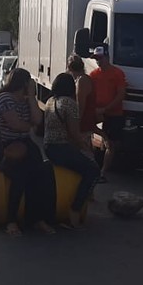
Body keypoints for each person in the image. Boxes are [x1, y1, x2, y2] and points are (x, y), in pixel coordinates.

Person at [0, 68, 56, 237]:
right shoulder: (5, 98)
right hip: (5, 146)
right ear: (24, 83)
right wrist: (29, 126)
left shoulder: (27, 100)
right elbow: (16, 124)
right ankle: (11, 220)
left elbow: (37, 120)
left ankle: (37, 218)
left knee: (42, 174)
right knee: (19, 176)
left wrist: (32, 97)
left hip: (26, 144)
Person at [43, 73, 101, 229]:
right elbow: (74, 134)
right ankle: (75, 209)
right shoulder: (70, 104)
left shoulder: (50, 101)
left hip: (49, 147)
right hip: (62, 148)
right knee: (93, 171)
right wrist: (85, 147)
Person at [89, 45, 126, 182]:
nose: (98, 61)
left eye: (100, 58)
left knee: (111, 144)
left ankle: (102, 172)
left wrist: (105, 109)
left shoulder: (117, 73)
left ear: (107, 57)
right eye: (96, 59)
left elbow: (120, 95)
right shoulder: (93, 75)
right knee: (90, 139)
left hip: (114, 114)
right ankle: (93, 168)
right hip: (97, 113)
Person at [67, 54, 99, 157]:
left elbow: (80, 107)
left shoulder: (82, 81)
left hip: (83, 124)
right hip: (85, 123)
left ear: (70, 68)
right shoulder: (83, 79)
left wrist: (75, 126)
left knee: (83, 152)